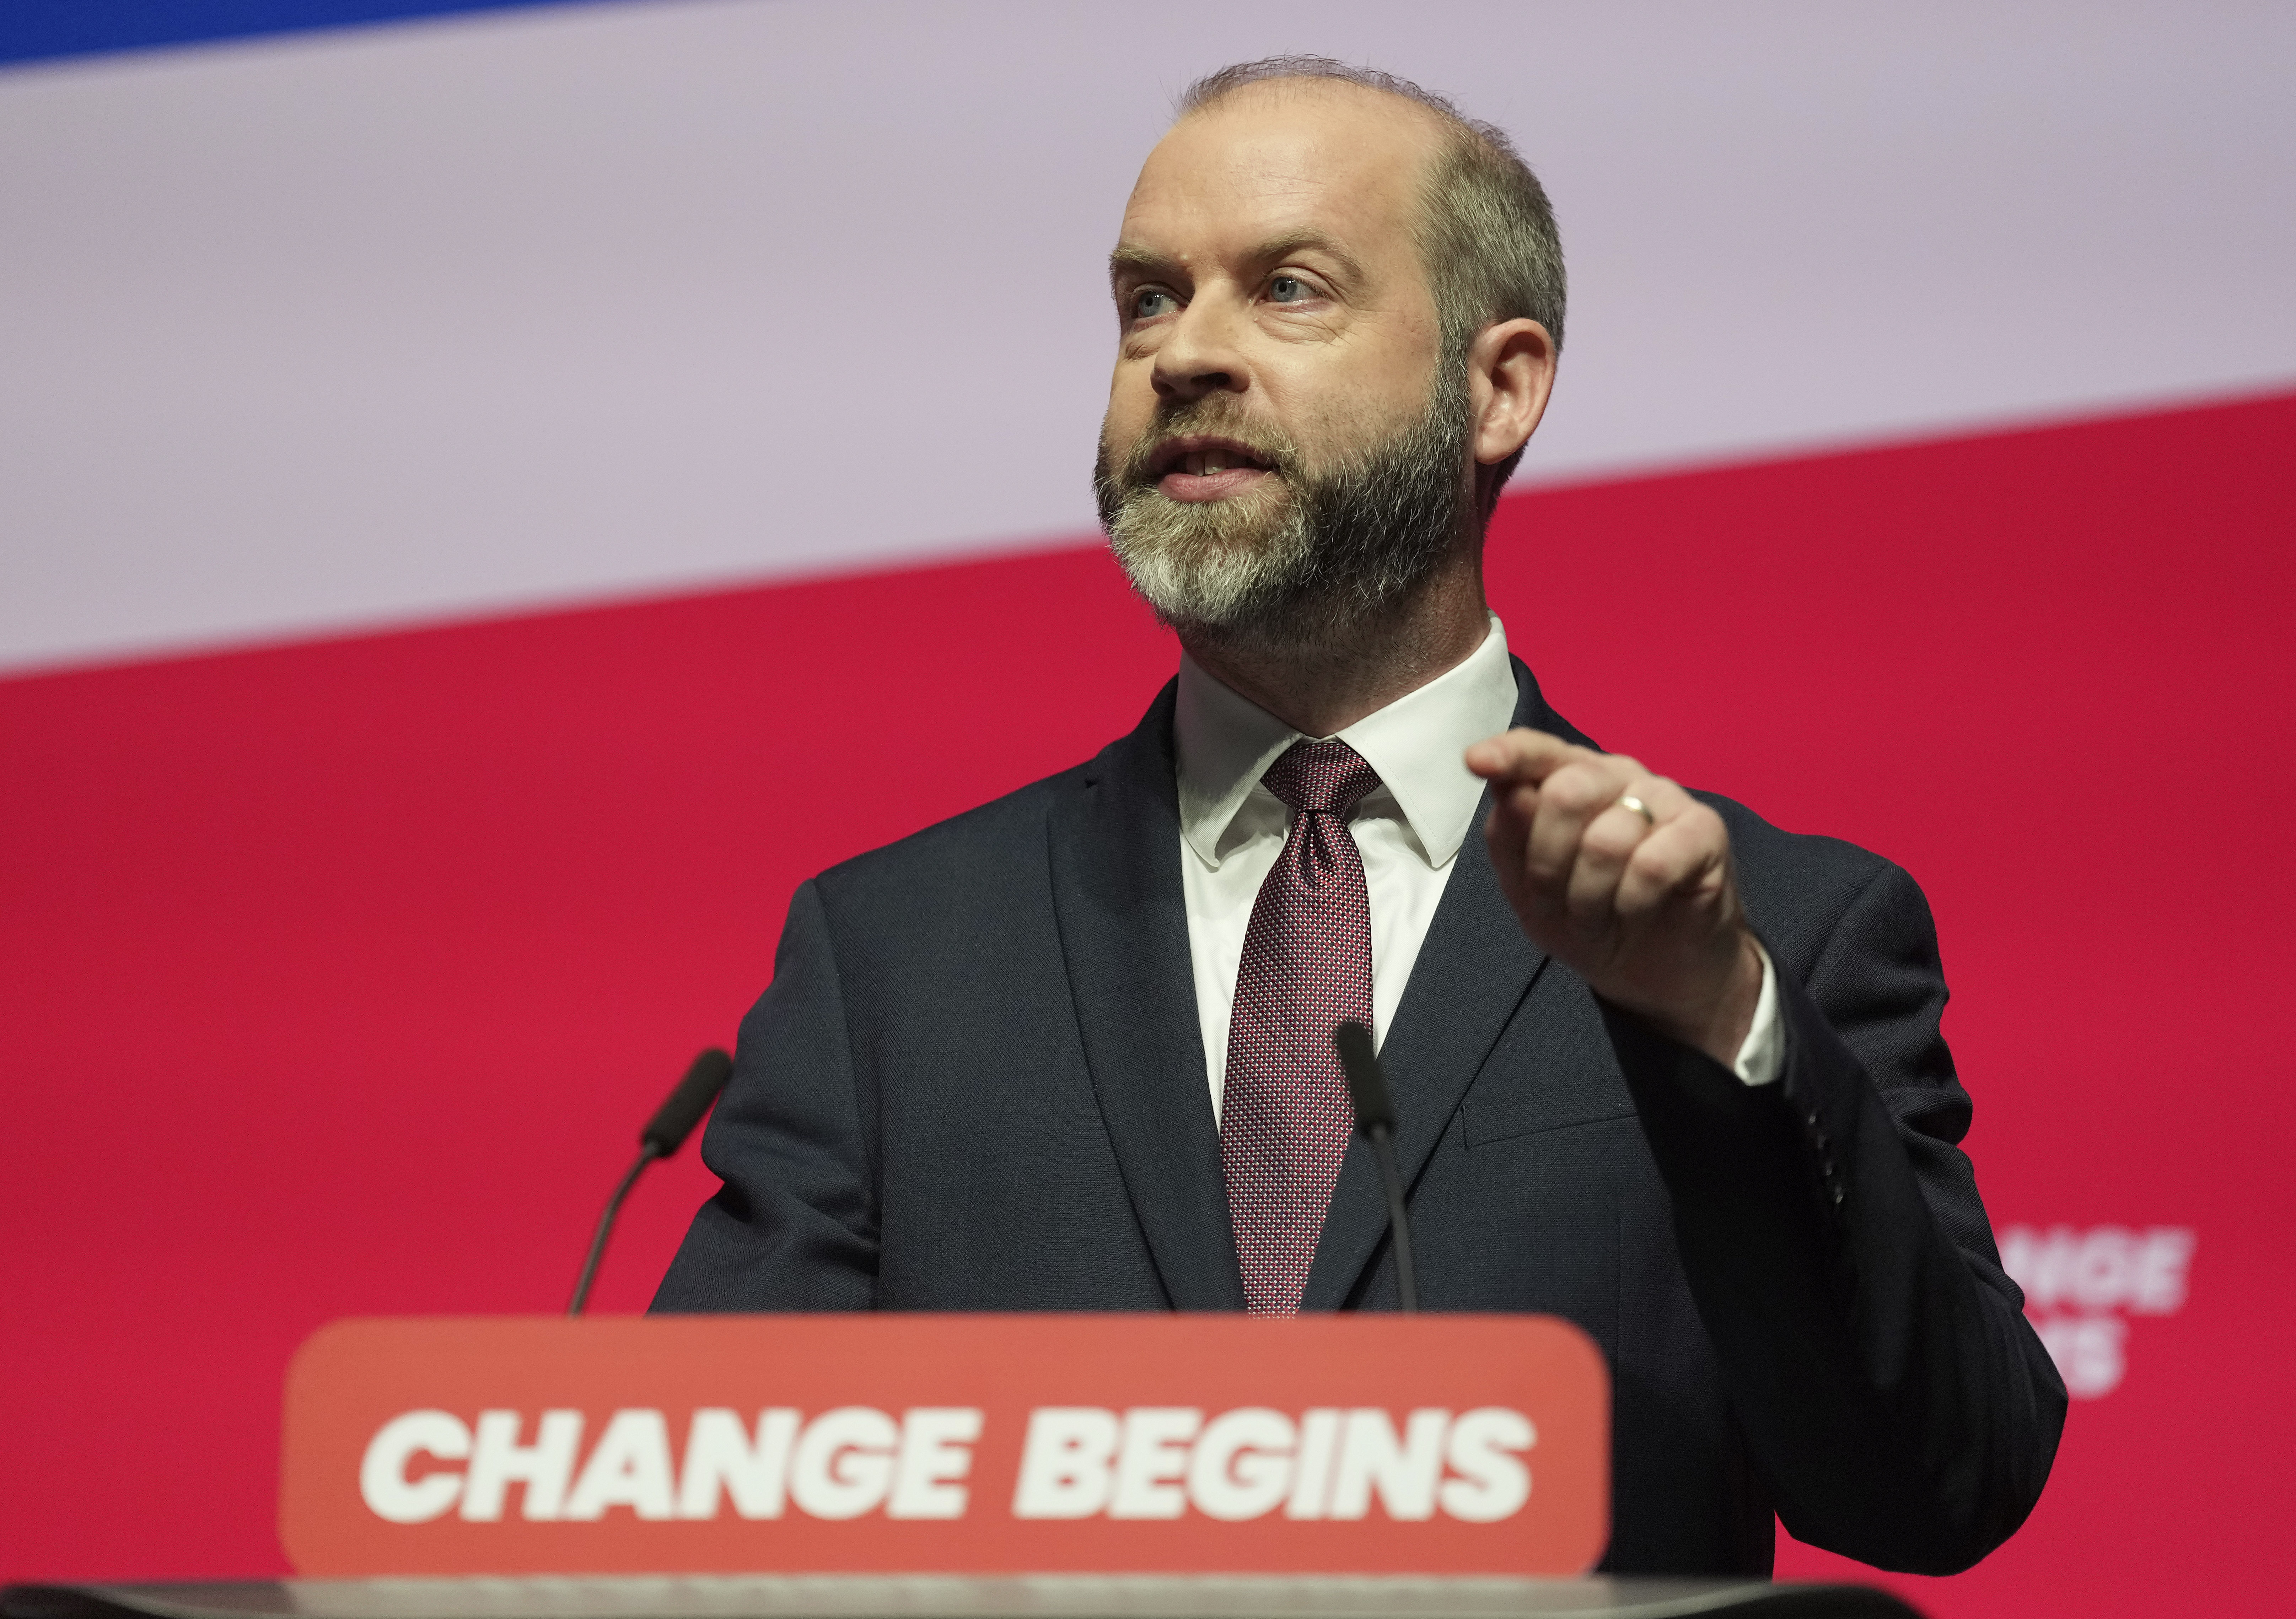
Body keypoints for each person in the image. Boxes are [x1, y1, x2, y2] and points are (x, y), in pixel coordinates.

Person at [656, 56, 2064, 1576]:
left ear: (1498, 386)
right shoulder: (895, 958)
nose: (1183, 353)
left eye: (1286, 290)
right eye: (1145, 299)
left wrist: (1715, 1018)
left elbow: (1940, 1488)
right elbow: (689, 1519)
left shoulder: (1771, 936)